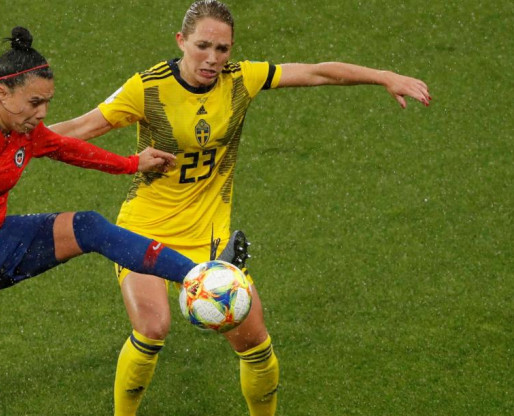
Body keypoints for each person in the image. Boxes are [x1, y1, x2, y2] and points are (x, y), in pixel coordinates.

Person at [49, 1, 432, 415]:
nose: (212, 59)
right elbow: (79, 129)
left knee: (254, 343)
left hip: (209, 236)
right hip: (145, 226)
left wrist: (383, 76)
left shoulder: (242, 80)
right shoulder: (148, 88)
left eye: (223, 49)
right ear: (181, 41)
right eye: (202, 46)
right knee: (153, 326)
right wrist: (10, 141)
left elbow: (318, 71)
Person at [0, 26, 235, 416]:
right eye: (34, 102)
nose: (42, 113)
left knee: (87, 226)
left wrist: (131, 164)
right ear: (1, 93)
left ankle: (198, 276)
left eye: (47, 102)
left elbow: (69, 149)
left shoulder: (26, 131)